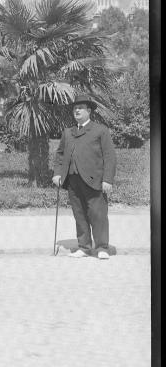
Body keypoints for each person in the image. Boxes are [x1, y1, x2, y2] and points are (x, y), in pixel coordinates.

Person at [52, 93, 117, 260]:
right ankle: (84, 247)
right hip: (72, 180)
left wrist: (107, 180)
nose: (77, 111)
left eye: (80, 108)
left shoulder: (100, 130)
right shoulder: (68, 132)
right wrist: (58, 173)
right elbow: (60, 155)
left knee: (98, 215)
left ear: (89, 111)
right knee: (79, 214)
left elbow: (110, 156)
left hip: (94, 180)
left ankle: (102, 247)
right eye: (75, 108)